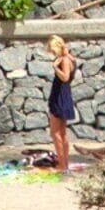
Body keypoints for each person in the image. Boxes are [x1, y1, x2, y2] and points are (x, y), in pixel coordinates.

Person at [46, 37, 79, 175]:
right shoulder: (70, 58)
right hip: (64, 96)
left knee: (55, 132)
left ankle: (62, 163)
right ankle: (64, 162)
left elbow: (65, 77)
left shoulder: (64, 60)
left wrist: (54, 67)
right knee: (62, 133)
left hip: (60, 96)